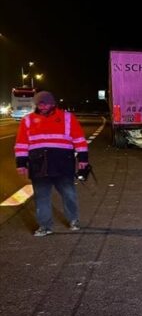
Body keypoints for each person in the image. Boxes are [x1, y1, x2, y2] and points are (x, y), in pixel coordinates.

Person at [14, 91, 89, 237]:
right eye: (39, 104)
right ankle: (45, 226)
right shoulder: (27, 120)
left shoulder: (67, 118)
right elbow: (21, 144)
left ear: (53, 104)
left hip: (62, 162)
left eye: (45, 104)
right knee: (41, 196)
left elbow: (79, 140)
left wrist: (83, 160)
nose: (42, 107)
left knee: (69, 194)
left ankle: (73, 220)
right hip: (39, 164)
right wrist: (21, 164)